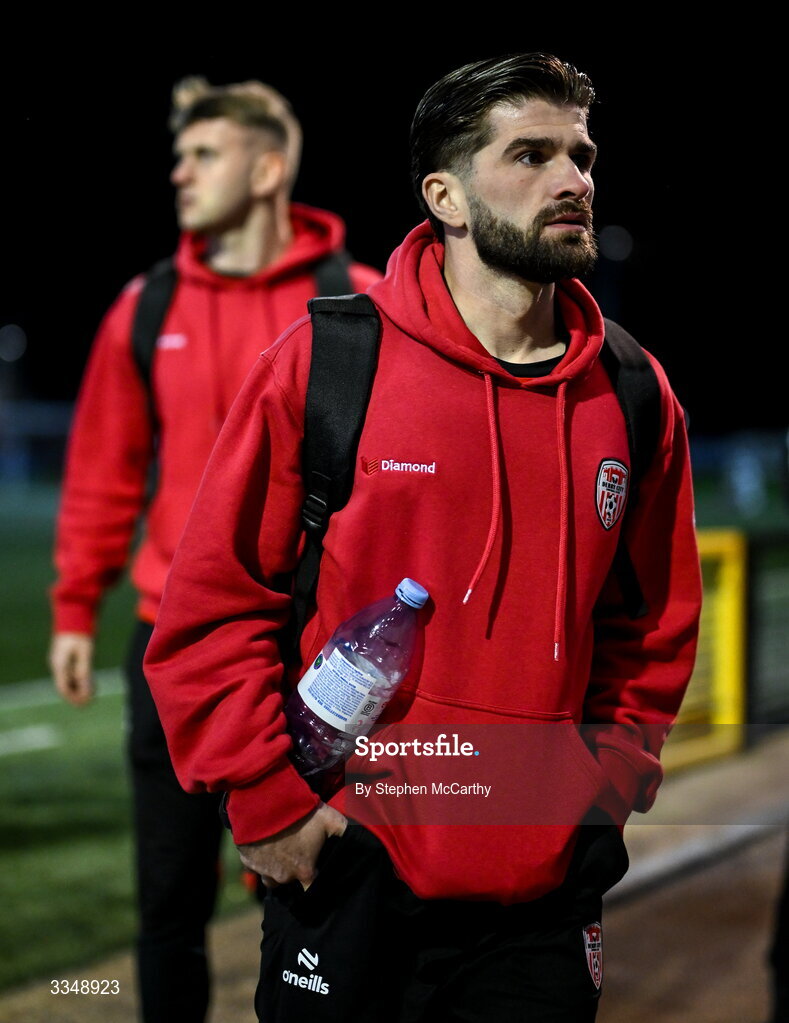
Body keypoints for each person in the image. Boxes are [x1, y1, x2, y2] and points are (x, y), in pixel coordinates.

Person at [144, 53, 702, 1022]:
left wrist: (601, 795)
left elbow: (651, 631)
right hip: (349, 878)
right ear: (444, 194)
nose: (574, 181)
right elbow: (212, 609)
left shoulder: (636, 393)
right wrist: (269, 804)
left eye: (582, 155)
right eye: (531, 155)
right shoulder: (326, 364)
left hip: (544, 896)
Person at [48, 75, 381, 1023]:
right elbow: (104, 467)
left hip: (306, 663)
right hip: (169, 651)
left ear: (268, 165)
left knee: (318, 893)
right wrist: (77, 604)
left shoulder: (357, 305)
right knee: (169, 908)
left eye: (204, 153)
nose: (179, 170)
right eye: (180, 153)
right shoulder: (146, 305)